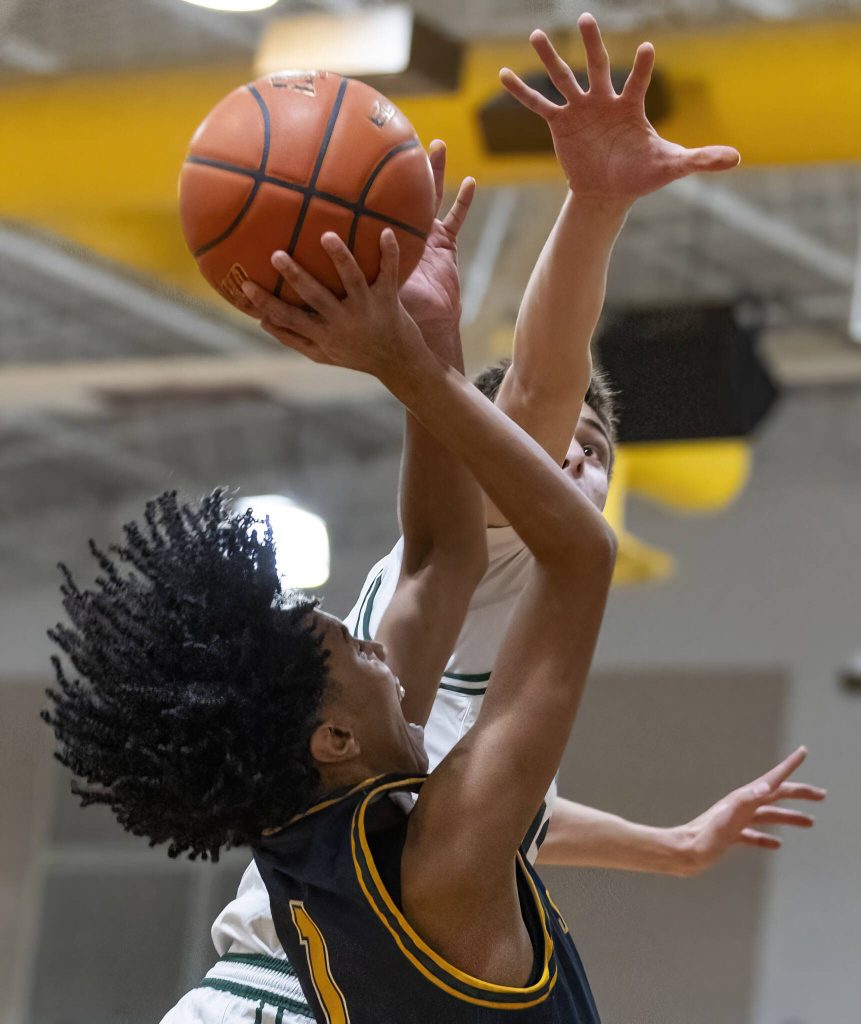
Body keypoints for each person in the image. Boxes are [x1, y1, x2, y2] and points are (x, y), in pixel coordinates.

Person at [160, 16, 823, 1023]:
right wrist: (591, 210)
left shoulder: (409, 689)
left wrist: (676, 846)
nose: (575, 450)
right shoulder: (498, 565)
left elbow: (524, 808)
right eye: (558, 435)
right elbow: (543, 388)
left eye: (597, 450)